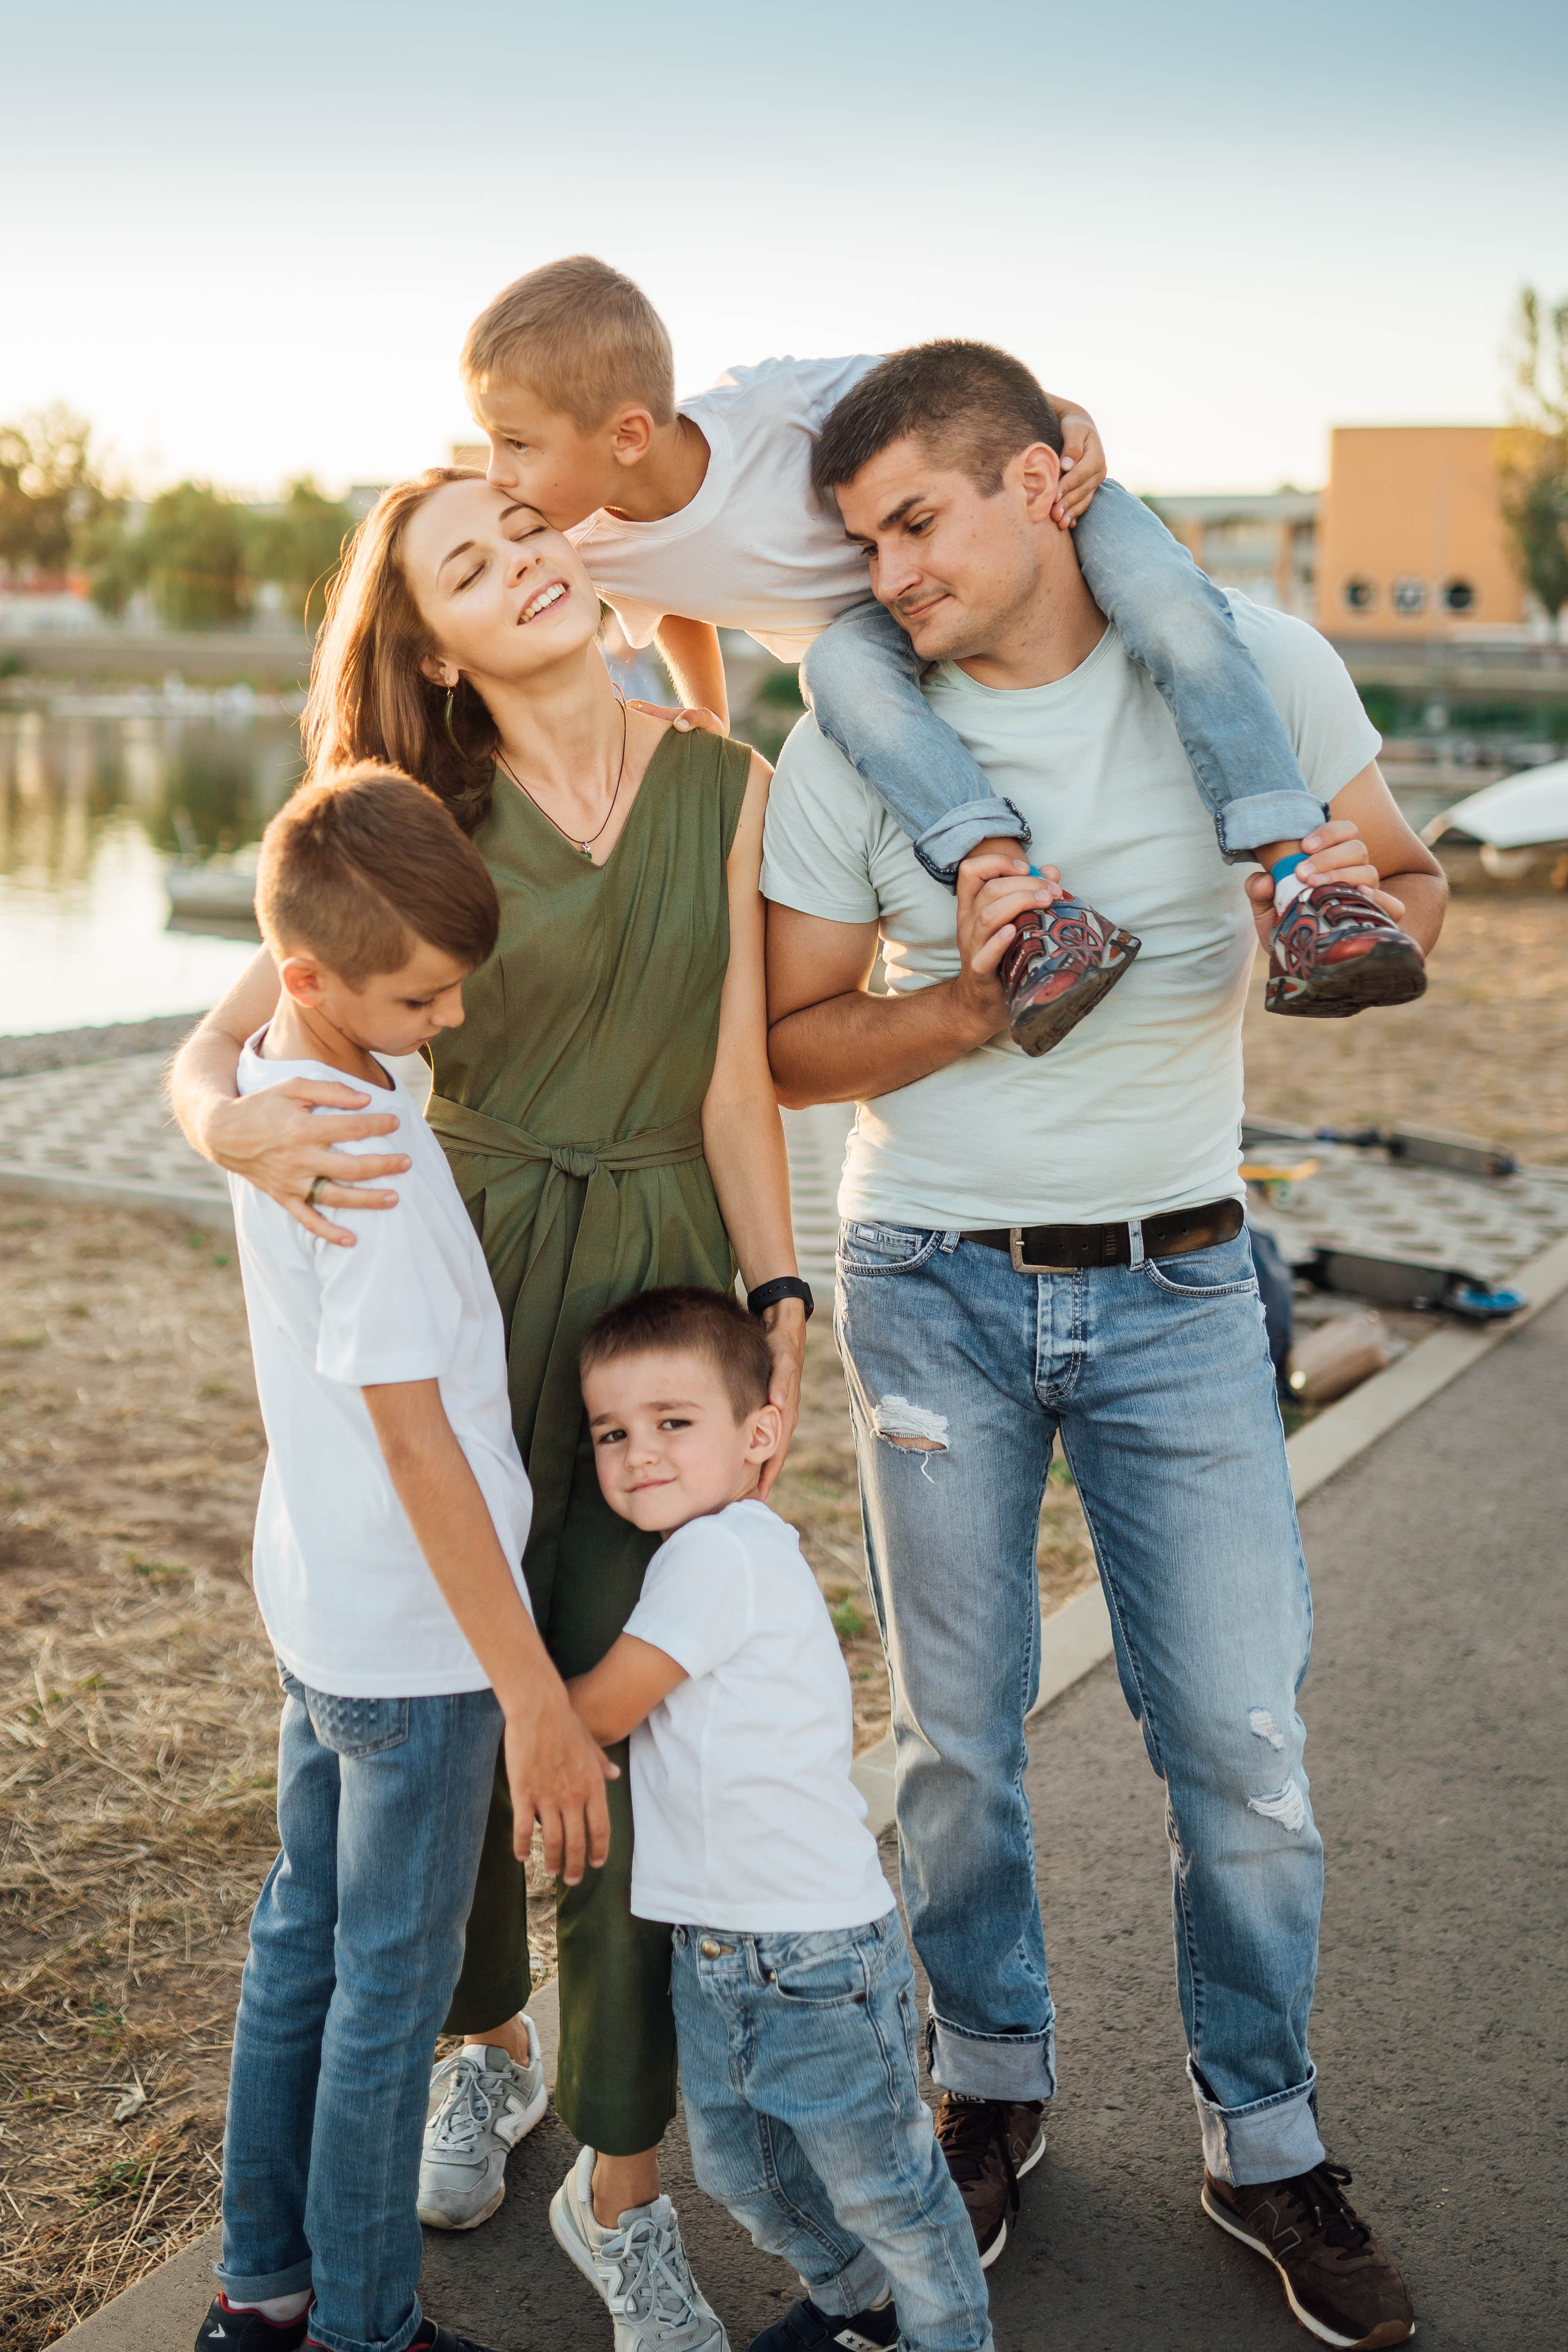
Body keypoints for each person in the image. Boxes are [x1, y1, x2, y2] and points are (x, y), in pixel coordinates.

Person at [761, 342, 1445, 2350]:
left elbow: (1405, 885)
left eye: (920, 522)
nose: (888, 571)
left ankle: (1268, 2133)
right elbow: (794, 1046)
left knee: (1241, 1748)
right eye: (861, 540)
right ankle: (987, 2088)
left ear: (1053, 481)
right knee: (956, 1758)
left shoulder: (1263, 668)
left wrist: (1353, 903)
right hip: (936, 1281)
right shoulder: (854, 752)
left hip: (1181, 1282)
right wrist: (972, 1007)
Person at [169, 473, 808, 2352]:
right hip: (466, 1275)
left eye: (533, 524)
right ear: (431, 635)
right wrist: (223, 1129)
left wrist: (776, 1313)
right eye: (473, 557)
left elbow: (738, 1085)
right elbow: (228, 1038)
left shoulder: (724, 777)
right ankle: (477, 2048)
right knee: (456, 1723)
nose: (528, 558)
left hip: (662, 1285)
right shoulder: (408, 819)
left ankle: (626, 2190)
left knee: (636, 1720)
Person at [461, 254, 1425, 1060]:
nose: (497, 474)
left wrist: (1068, 420)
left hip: (1044, 512)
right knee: (833, 672)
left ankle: (1304, 880)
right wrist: (705, 717)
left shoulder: (778, 402)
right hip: (898, 623)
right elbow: (676, 600)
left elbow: (959, 402)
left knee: (1174, 613)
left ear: (627, 434)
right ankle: (1034, 911)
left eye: (514, 445)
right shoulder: (592, 546)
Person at [196, 767, 613, 2352]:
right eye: (419, 995)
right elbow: (419, 1445)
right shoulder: (356, 1159)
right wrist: (534, 1700)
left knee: (299, 1943)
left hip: (323, 1611)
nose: (446, 1021)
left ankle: (261, 2288)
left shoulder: (272, 1071)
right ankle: (370, 2327)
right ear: (312, 979)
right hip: (419, 1644)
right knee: (386, 1993)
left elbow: (229, 1021)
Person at [567, 1286, 992, 2352]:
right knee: (744, 2174)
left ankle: (948, 2337)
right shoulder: (700, 1552)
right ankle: (864, 2314)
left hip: (813, 1958)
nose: (639, 1454)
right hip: (720, 1953)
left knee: (891, 2190)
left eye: (674, 1422)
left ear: (759, 1432)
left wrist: (505, 1702)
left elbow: (600, 1713)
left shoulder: (724, 1556)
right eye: (612, 1432)